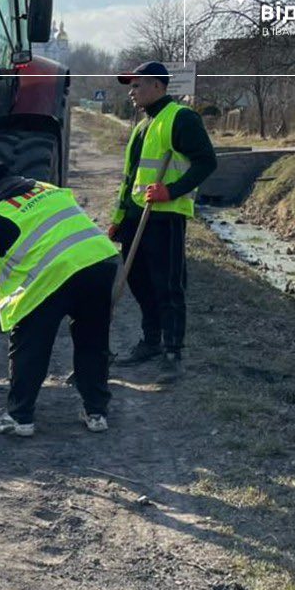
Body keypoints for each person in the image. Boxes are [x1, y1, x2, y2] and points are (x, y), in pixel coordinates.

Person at [0, 161, 120, 436]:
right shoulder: (45, 188)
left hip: (56, 276)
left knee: (29, 345)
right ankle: (97, 413)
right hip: (99, 263)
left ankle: (20, 418)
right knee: (92, 341)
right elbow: (43, 238)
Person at [110, 61, 216, 381]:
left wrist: (171, 191)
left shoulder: (180, 118)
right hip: (135, 216)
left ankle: (173, 350)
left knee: (167, 285)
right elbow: (131, 178)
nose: (132, 92)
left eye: (137, 85)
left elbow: (206, 162)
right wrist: (118, 218)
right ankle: (151, 340)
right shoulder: (143, 125)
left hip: (164, 216)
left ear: (157, 86)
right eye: (130, 86)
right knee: (139, 282)